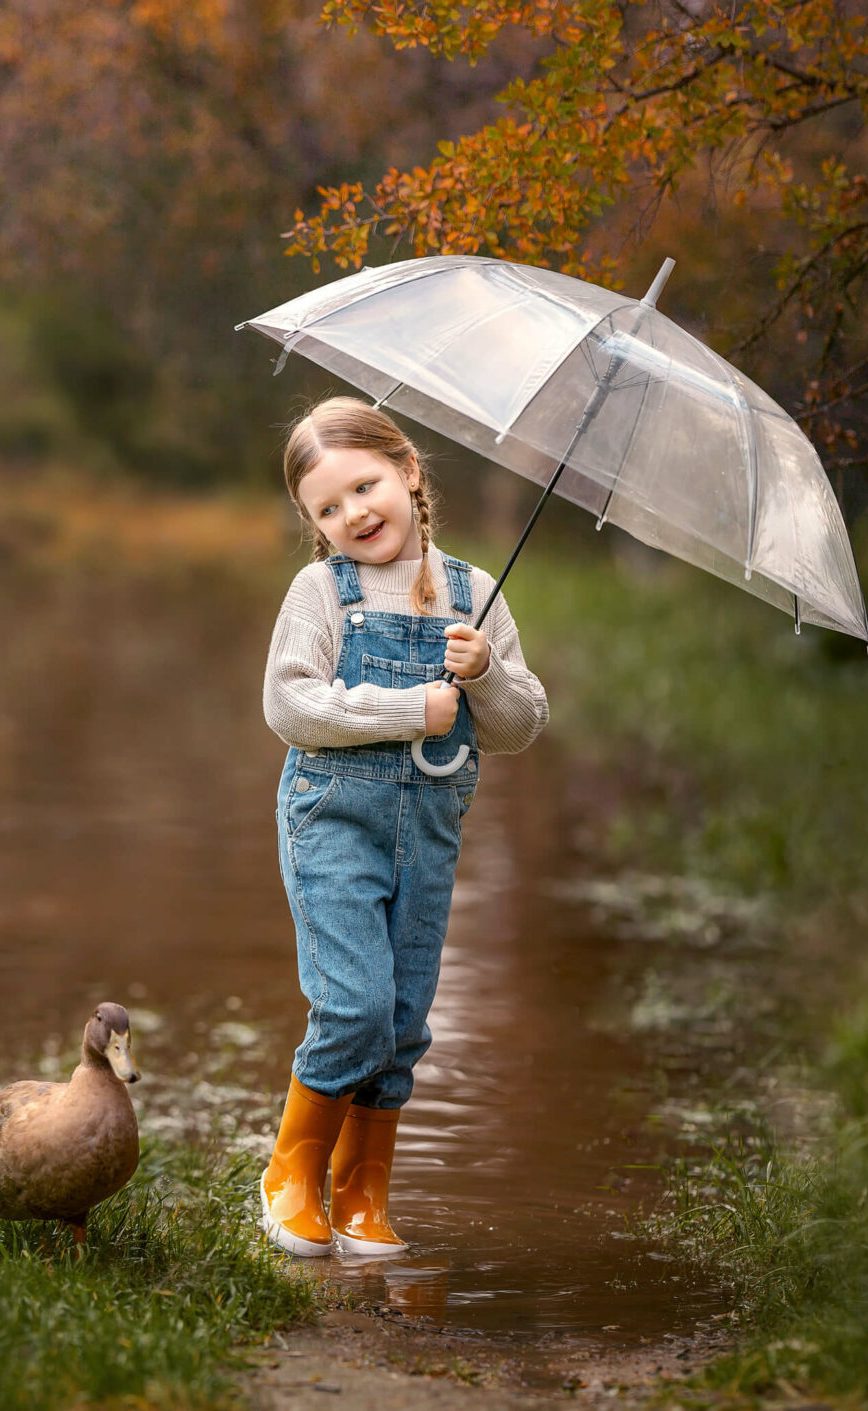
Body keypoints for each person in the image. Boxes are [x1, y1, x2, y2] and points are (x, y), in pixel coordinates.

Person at [259, 396, 549, 1257]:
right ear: (313, 523)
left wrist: (486, 672)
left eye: (365, 485)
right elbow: (289, 703)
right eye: (329, 506)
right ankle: (289, 1176)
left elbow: (521, 724)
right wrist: (408, 706)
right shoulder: (321, 590)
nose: (354, 513)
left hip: (427, 828)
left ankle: (361, 1193)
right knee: (353, 1002)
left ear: (410, 471)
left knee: (404, 1016)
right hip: (332, 819)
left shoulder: (475, 595)